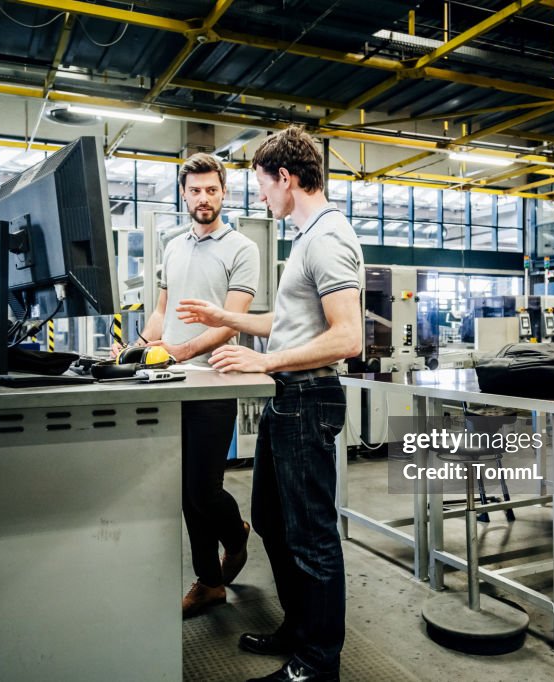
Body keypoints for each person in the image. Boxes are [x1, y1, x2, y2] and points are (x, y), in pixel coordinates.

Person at [177, 127, 363, 682]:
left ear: (286, 178)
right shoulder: (305, 237)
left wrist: (264, 362)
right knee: (272, 524)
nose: (260, 198)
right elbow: (286, 324)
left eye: (262, 186)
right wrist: (226, 319)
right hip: (290, 398)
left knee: (311, 537)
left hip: (307, 398)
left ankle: (317, 662)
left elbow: (347, 337)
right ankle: (298, 630)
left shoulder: (328, 237)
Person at [127, 152, 260, 619]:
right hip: (172, 382)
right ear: (183, 194)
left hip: (215, 380)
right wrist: (135, 346)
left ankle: (237, 533)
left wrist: (181, 352)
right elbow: (163, 311)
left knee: (204, 489)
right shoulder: (172, 245)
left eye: (211, 190)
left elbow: (230, 322)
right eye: (195, 190)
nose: (203, 198)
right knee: (184, 491)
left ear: (223, 193)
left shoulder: (242, 248)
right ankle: (209, 582)